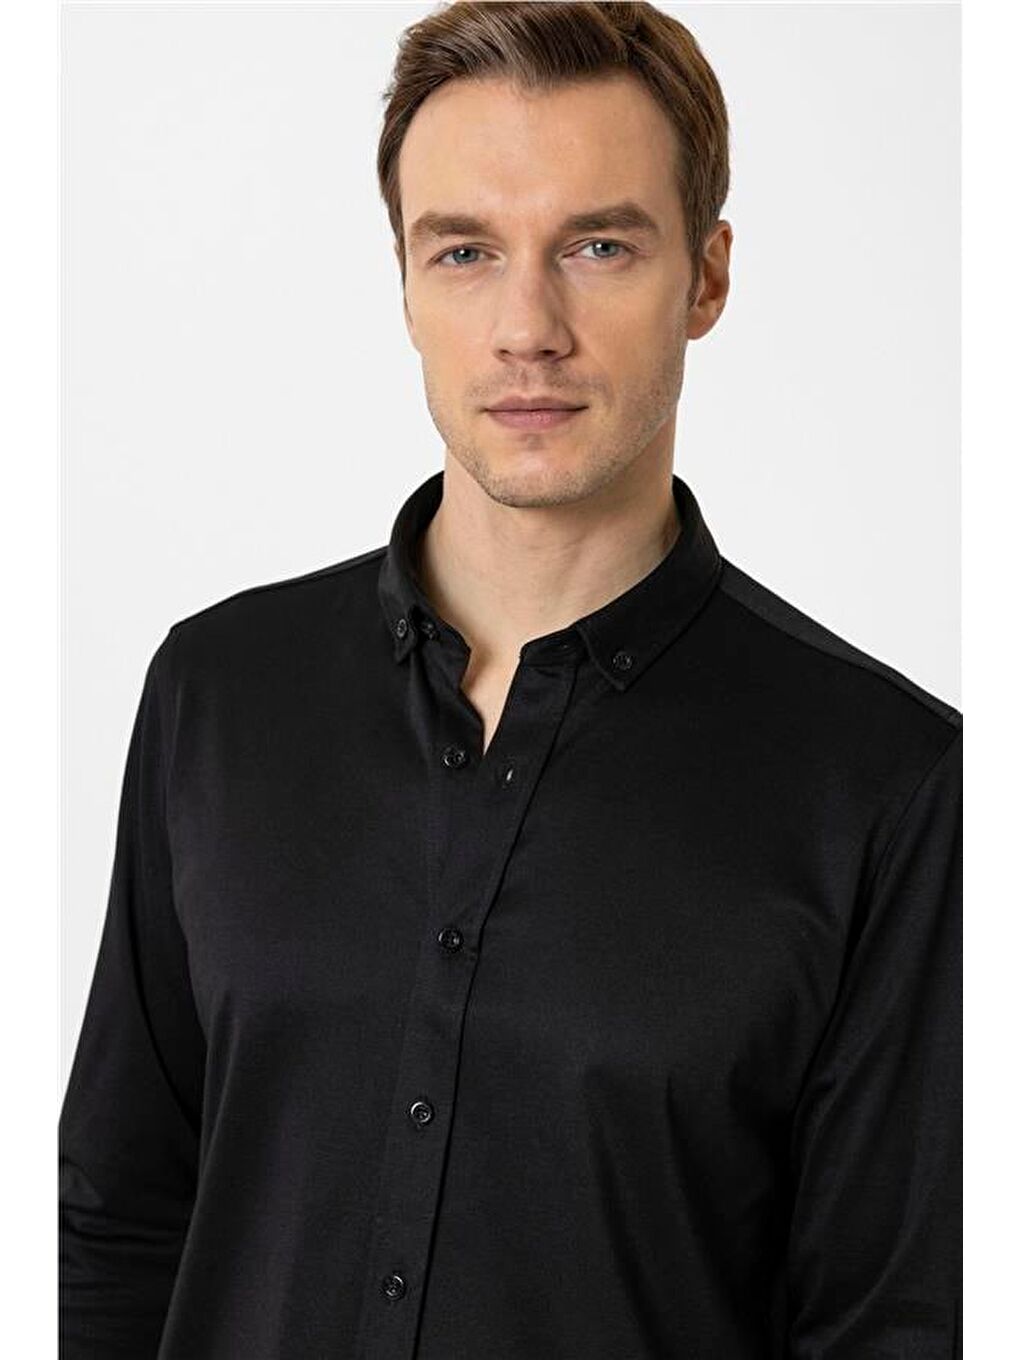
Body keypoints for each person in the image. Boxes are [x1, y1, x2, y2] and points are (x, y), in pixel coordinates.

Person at [59, 3, 962, 1357]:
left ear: (707, 279)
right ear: (406, 284)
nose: (527, 328)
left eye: (599, 247)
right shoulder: (218, 692)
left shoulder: (890, 782)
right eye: (467, 251)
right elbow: (117, 1225)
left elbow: (888, 1320)